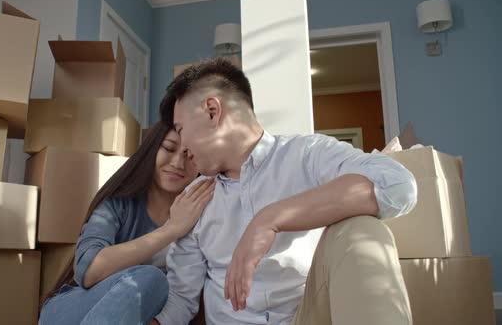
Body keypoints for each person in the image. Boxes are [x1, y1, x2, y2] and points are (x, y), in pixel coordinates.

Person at [151, 58, 418, 325]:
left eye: (181, 129)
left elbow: (398, 186)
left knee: (363, 229)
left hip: (305, 317)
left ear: (212, 111)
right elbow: (180, 299)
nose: (182, 146)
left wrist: (269, 220)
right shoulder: (193, 200)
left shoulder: (307, 155)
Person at [39, 121, 215, 325]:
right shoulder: (118, 203)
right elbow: (88, 270)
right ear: (151, 150)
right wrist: (171, 230)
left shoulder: (204, 217)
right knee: (151, 279)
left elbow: (187, 299)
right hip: (69, 313)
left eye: (190, 154)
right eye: (168, 148)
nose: (177, 162)